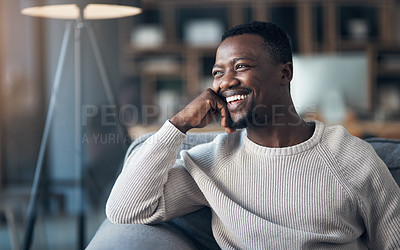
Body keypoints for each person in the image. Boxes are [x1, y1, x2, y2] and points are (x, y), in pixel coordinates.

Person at [106, 21, 400, 249]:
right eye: (218, 72)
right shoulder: (211, 163)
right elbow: (125, 210)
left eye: (241, 66)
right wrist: (180, 123)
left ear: (284, 73)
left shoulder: (351, 158)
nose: (226, 82)